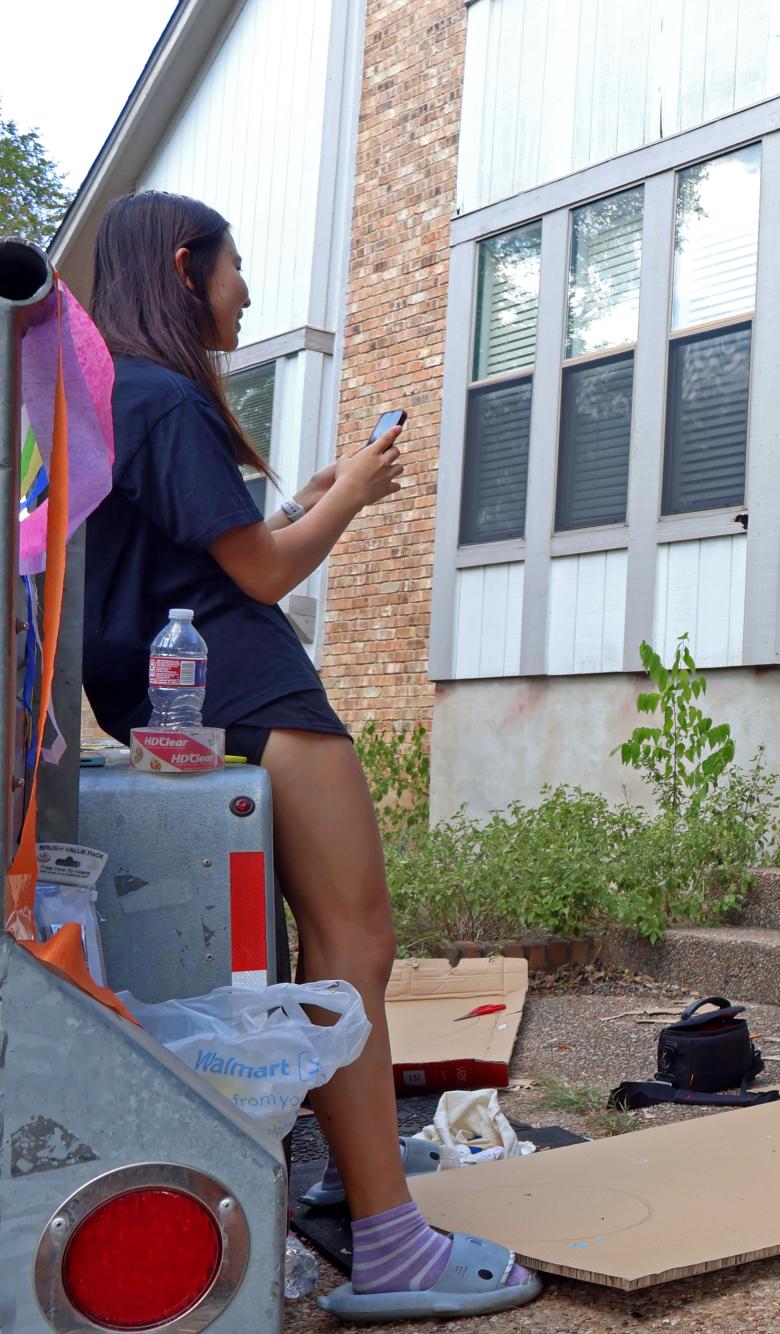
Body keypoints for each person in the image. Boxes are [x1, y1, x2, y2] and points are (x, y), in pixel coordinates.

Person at [84, 192, 541, 1320]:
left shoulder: (102, 399)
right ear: (186, 267)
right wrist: (357, 500)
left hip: (168, 696)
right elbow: (262, 576)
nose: (246, 293)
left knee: (287, 958)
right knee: (355, 944)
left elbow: (221, 547)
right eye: (237, 269)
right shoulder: (167, 399)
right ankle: (390, 1244)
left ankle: (342, 1189)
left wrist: (325, 492)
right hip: (251, 685)